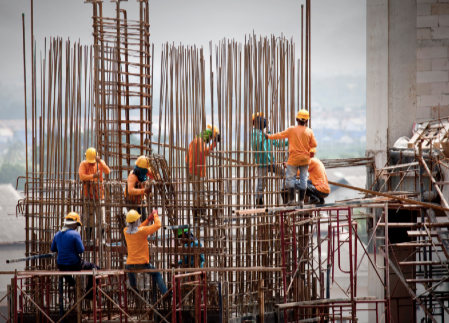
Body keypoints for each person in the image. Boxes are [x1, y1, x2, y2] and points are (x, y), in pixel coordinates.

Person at [266, 109, 317, 208]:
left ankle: (292, 200)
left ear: (297, 119)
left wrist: (269, 137)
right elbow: (314, 144)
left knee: (290, 178)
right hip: (305, 159)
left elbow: (279, 135)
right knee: (303, 179)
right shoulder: (309, 131)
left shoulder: (291, 130)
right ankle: (301, 201)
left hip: (294, 159)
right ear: (306, 121)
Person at [50, 212, 100, 299]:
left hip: (61, 265)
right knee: (96, 269)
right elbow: (81, 250)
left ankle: (72, 283)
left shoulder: (57, 234)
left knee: (65, 270)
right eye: (76, 224)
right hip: (74, 264)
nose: (77, 227)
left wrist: (63, 247)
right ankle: (90, 294)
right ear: (73, 224)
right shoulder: (75, 234)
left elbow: (53, 249)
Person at [124, 209, 169, 296]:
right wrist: (155, 215)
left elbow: (137, 228)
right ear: (137, 220)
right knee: (156, 273)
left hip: (130, 264)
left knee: (128, 268)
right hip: (142, 263)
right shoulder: (142, 231)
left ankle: (133, 288)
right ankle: (165, 293)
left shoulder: (125, 231)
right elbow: (158, 225)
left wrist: (148, 219)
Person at [251, 113, 288, 206]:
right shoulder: (254, 134)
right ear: (256, 121)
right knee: (260, 186)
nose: (264, 120)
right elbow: (257, 143)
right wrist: (265, 136)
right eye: (262, 119)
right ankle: (259, 204)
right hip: (262, 164)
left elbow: (277, 143)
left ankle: (284, 193)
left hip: (272, 162)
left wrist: (289, 141)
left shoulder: (265, 133)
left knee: (286, 174)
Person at [185, 124, 220, 217]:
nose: (210, 140)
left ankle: (197, 212)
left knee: (197, 191)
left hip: (191, 170)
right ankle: (201, 211)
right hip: (197, 171)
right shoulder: (200, 142)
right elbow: (206, 152)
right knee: (202, 191)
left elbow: (188, 158)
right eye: (211, 138)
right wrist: (215, 143)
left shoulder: (194, 140)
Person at [78, 147, 110, 240]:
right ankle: (88, 239)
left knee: (101, 218)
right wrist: (93, 176)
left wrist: (100, 162)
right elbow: (81, 176)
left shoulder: (100, 163)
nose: (92, 163)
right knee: (89, 219)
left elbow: (107, 171)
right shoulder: (83, 164)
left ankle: (101, 239)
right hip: (87, 195)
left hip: (99, 195)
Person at [124, 155, 157, 221]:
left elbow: (155, 176)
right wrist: (144, 190)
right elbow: (130, 190)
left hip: (140, 199)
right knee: (135, 220)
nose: (147, 171)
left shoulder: (144, 171)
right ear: (141, 169)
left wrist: (156, 175)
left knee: (144, 218)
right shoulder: (133, 175)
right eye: (145, 170)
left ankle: (142, 229)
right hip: (130, 200)